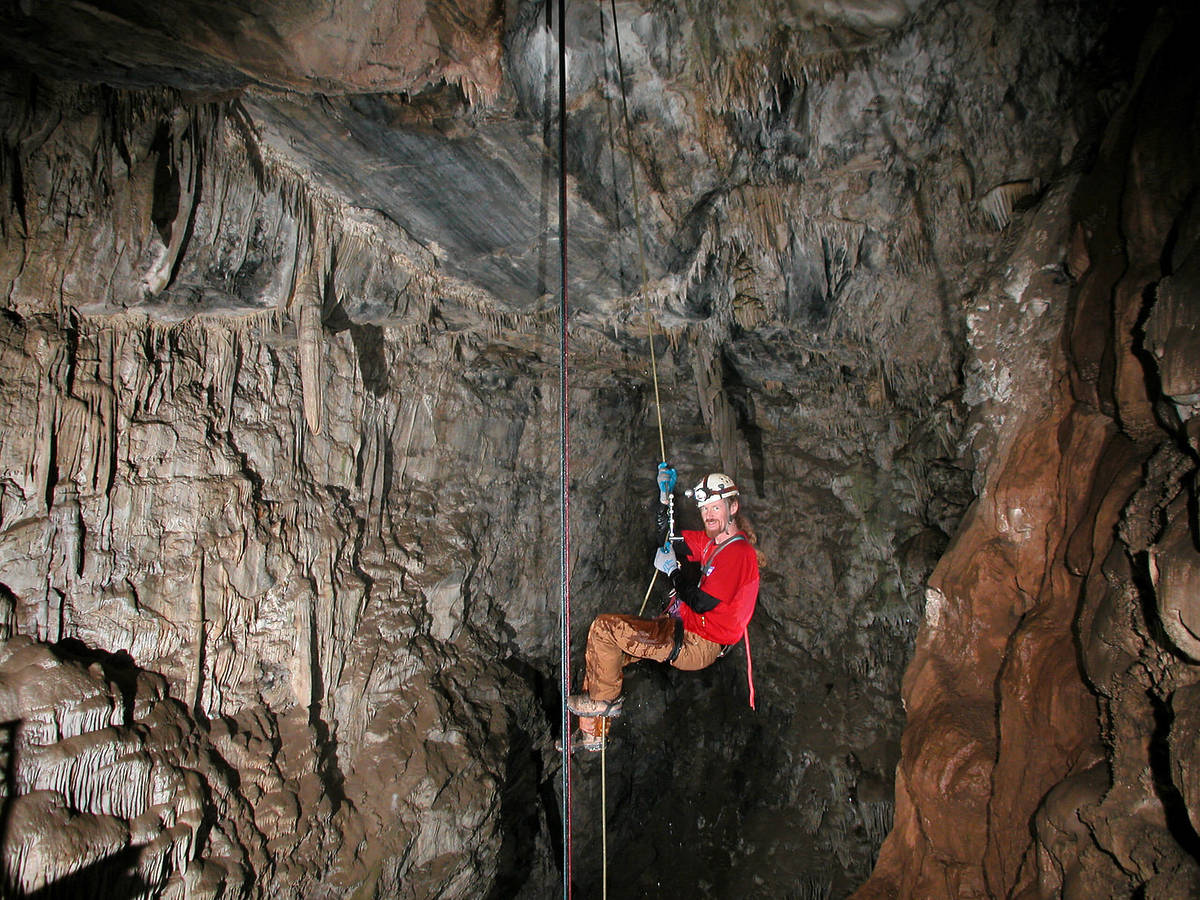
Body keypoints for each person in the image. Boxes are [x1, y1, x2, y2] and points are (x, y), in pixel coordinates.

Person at [563, 468, 761, 752]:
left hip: (698, 641)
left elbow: (702, 602)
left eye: (715, 507)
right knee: (603, 655)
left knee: (605, 629)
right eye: (704, 509)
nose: (708, 515)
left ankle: (604, 703)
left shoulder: (739, 553)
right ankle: (592, 734)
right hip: (686, 628)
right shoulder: (711, 543)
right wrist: (664, 498)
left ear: (733, 507)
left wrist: (672, 571)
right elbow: (667, 537)